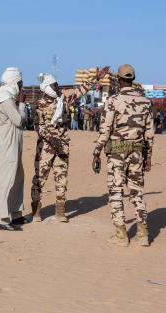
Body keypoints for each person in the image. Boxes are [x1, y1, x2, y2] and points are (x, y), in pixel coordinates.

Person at [30, 67, 109, 222]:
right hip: (45, 148)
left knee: (62, 178)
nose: (58, 88)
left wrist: (96, 78)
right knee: (39, 179)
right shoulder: (38, 104)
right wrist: (52, 141)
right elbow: (38, 127)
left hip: (62, 147)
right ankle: (36, 212)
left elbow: (80, 90)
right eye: (55, 85)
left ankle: (60, 212)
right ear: (47, 87)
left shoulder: (64, 98)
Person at [92, 64, 154, 247]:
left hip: (117, 153)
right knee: (137, 192)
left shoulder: (113, 100)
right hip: (137, 152)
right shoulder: (146, 102)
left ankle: (121, 234)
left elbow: (105, 130)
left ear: (118, 80)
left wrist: (96, 152)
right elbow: (149, 133)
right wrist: (148, 156)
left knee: (116, 191)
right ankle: (143, 234)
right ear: (132, 80)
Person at [0, 67, 26, 231]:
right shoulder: (6, 101)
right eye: (20, 84)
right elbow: (19, 120)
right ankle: (3, 219)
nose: (21, 88)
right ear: (14, 83)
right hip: (5, 147)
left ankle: (15, 214)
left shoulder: (5, 98)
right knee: (6, 181)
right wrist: (22, 104)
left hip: (12, 146)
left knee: (17, 178)